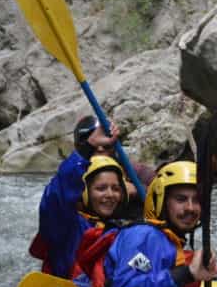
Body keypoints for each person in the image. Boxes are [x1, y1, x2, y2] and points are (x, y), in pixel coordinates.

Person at [83, 160, 217, 287]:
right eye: (181, 199)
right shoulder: (144, 235)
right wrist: (186, 274)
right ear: (161, 200)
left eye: (196, 200)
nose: (190, 208)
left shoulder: (171, 243)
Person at [29, 117, 139, 278]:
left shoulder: (126, 222)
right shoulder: (68, 224)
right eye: (101, 188)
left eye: (115, 188)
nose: (109, 194)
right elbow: (57, 196)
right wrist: (87, 148)